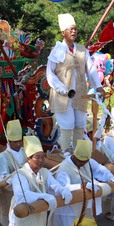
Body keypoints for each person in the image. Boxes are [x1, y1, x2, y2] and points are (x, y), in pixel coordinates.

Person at [46, 13, 103, 151]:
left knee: (80, 122)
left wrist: (99, 87)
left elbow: (91, 69)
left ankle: (78, 152)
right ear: (63, 32)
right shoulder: (57, 51)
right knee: (67, 123)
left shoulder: (83, 50)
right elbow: (50, 74)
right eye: (70, 29)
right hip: (63, 95)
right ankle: (65, 152)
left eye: (75, 29)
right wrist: (61, 88)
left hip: (80, 93)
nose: (73, 31)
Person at [54, 139, 114, 226]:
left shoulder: (88, 162)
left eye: (85, 161)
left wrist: (110, 177)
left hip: (85, 206)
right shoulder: (64, 169)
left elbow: (99, 169)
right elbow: (63, 188)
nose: (82, 163)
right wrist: (81, 186)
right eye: (80, 161)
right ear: (75, 156)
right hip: (69, 211)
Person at [0, 119, 26, 226]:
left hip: (26, 195)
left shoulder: (26, 152)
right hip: (9, 195)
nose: (18, 144)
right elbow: (3, 179)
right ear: (8, 141)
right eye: (15, 142)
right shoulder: (3, 157)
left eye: (19, 141)